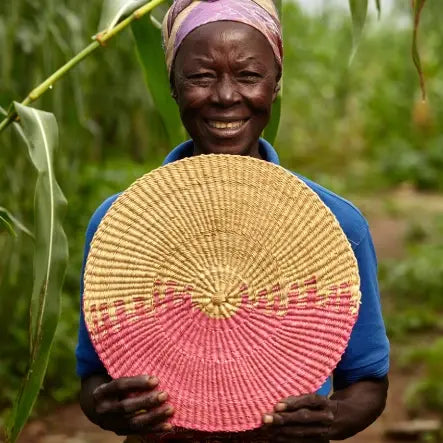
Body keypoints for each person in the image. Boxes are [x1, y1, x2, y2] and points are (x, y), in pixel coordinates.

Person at [77, 0, 390, 441]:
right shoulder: (117, 225)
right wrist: (106, 407)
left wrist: (332, 419)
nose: (225, 97)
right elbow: (93, 376)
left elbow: (368, 382)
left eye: (248, 75)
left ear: (275, 84)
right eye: (201, 77)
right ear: (173, 85)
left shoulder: (337, 225)